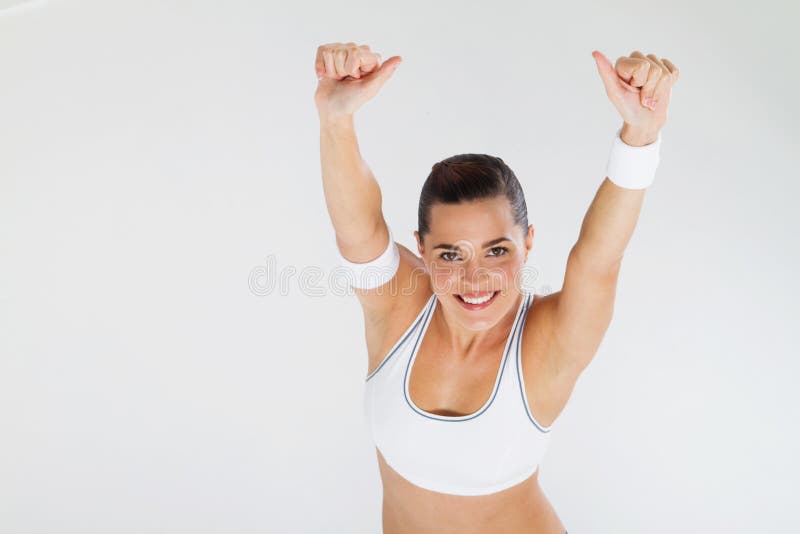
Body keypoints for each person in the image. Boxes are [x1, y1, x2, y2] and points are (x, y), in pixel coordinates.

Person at [314, 42, 679, 534]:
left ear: (528, 243)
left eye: (497, 250)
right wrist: (336, 121)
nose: (475, 277)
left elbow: (598, 260)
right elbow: (357, 231)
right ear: (420, 249)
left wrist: (640, 138)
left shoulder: (548, 341)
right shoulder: (399, 310)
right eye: (450, 254)